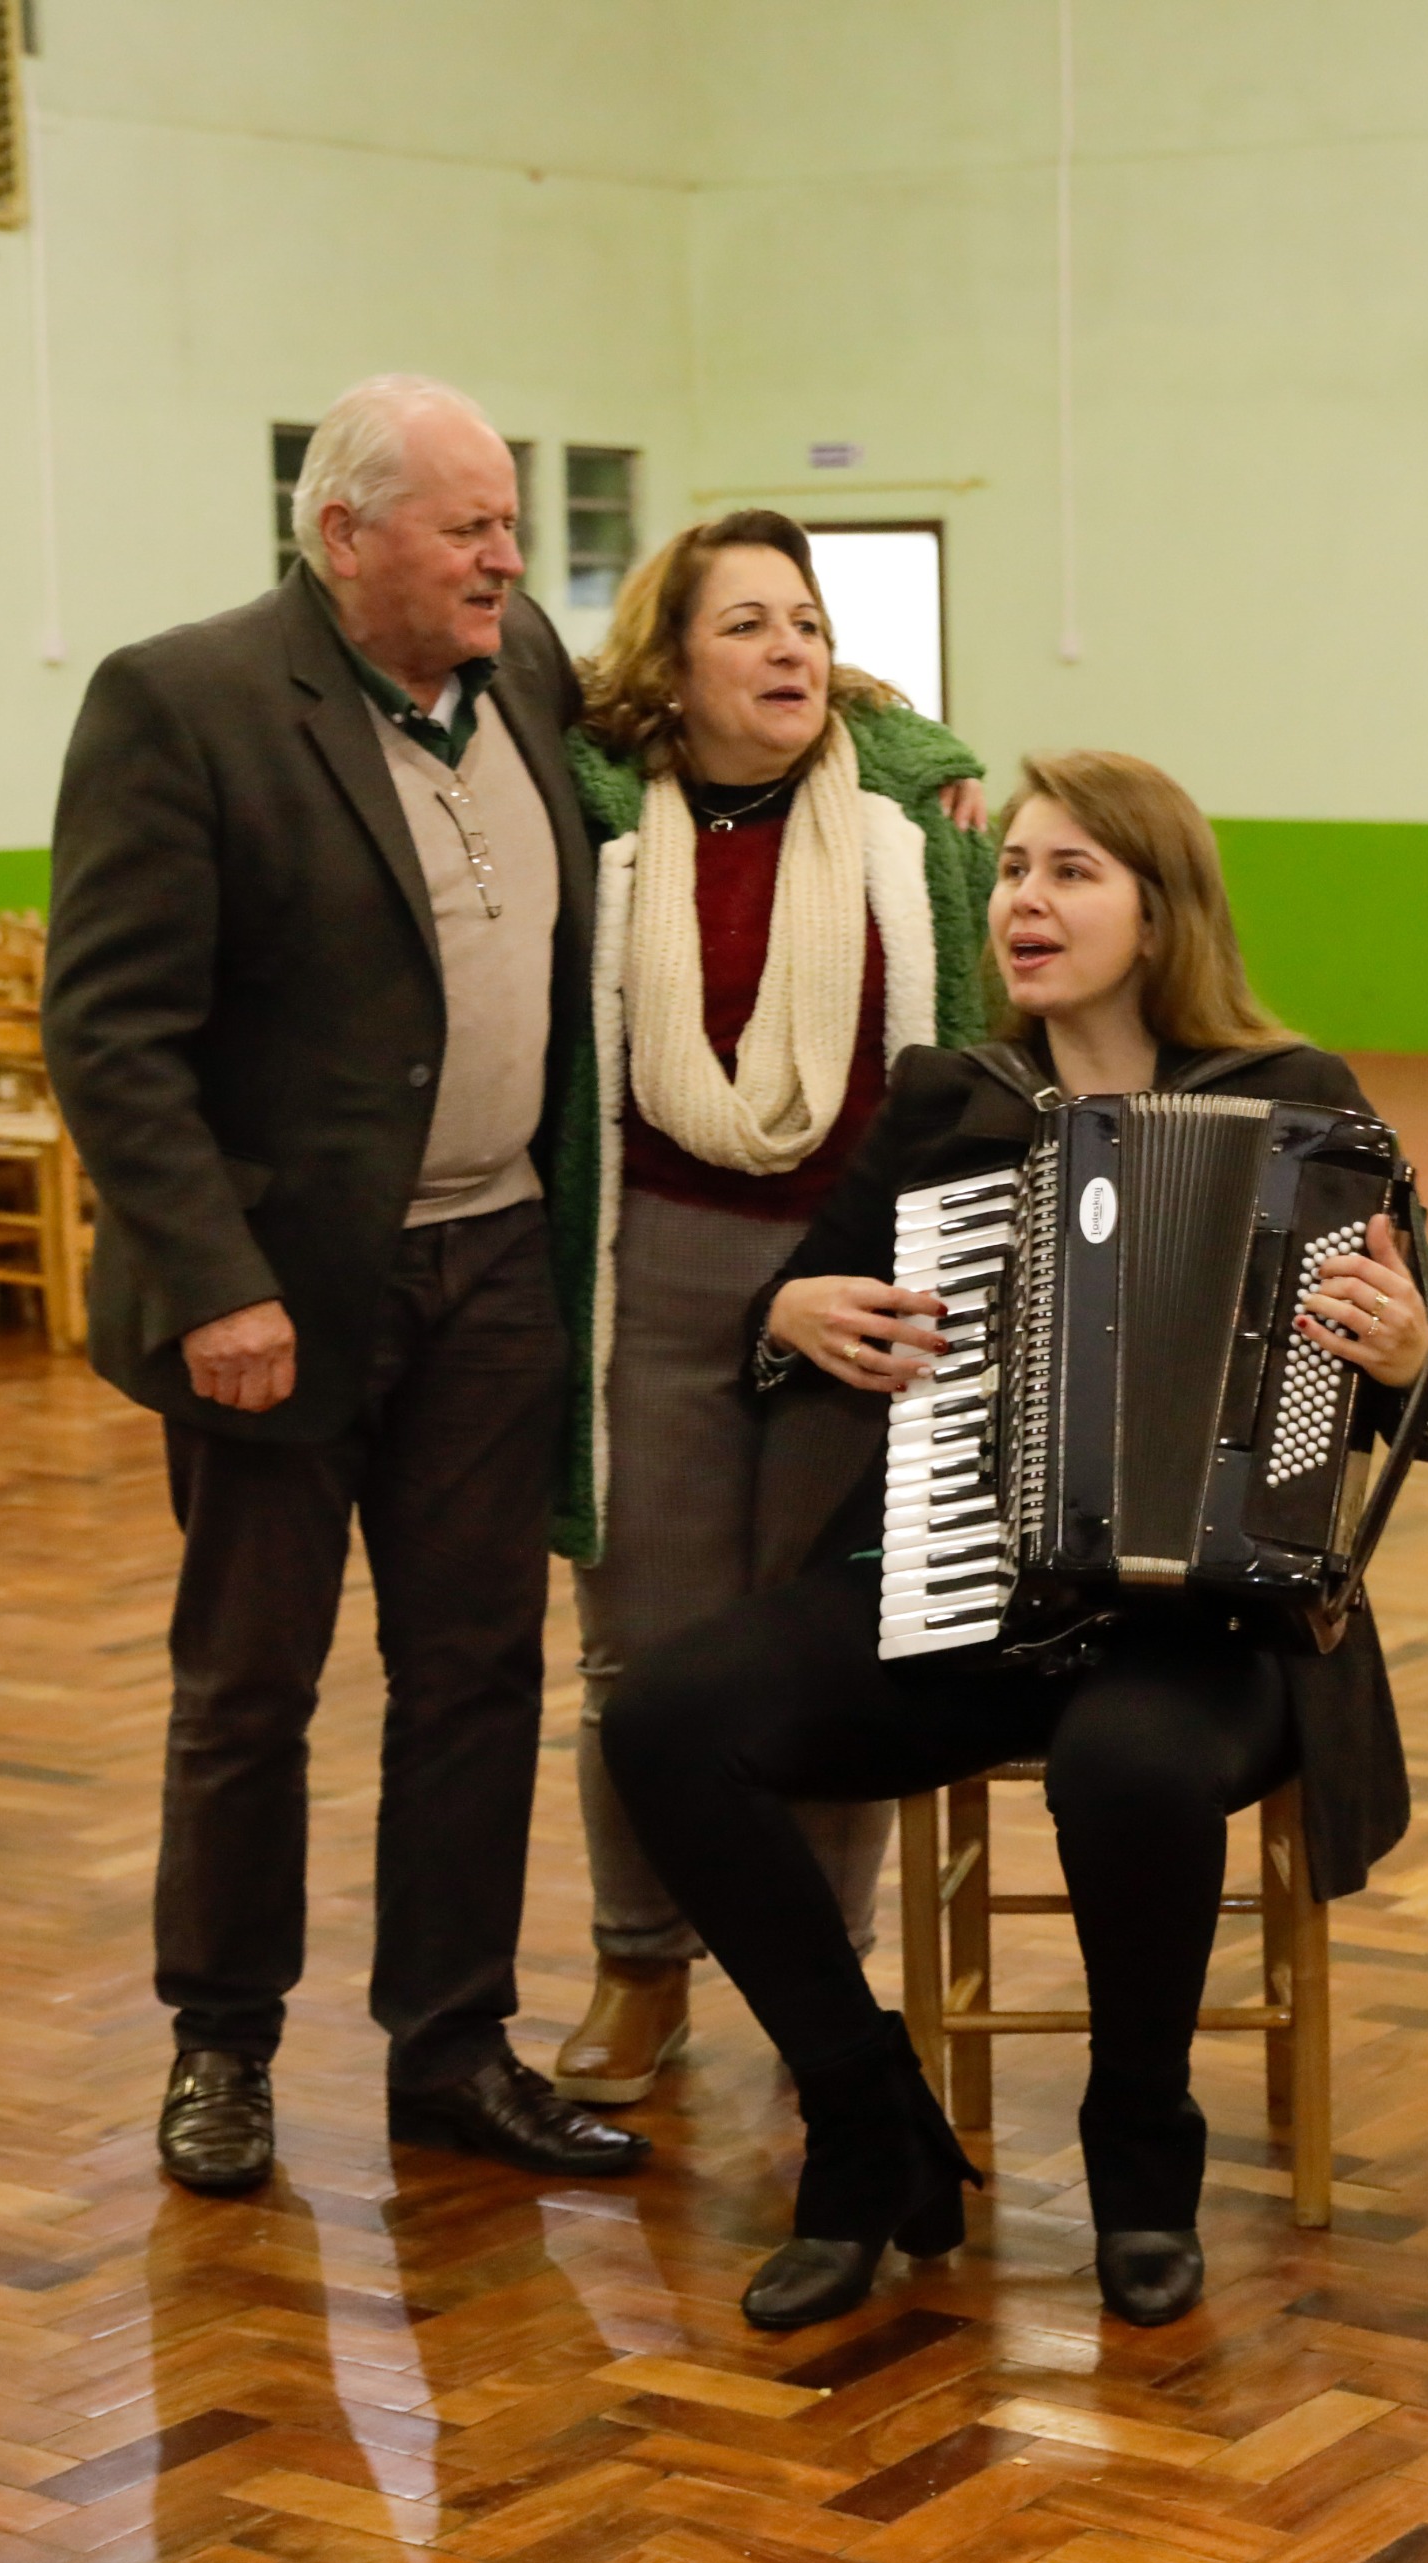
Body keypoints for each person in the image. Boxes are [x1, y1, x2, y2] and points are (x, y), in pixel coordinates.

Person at [597, 751, 1428, 2333]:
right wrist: (791, 1310)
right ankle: (868, 2118)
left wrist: (1414, 1353)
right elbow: (795, 1306)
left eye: (1071, 870)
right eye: (1013, 869)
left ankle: (1142, 2158)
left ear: (1163, 907)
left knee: (1128, 1767)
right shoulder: (953, 1103)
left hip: (1207, 1624)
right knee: (663, 1715)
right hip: (964, 1584)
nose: (1025, 900)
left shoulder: (1302, 1105)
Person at [42, 374, 639, 2195]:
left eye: (511, 524)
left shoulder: (523, 663)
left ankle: (451, 2043)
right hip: (281, 1299)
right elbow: (113, 1030)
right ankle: (220, 2044)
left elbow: (686, 726)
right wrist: (214, 1278)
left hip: (491, 1265)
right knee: (251, 1684)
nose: (503, 555)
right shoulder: (188, 700)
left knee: (474, 1673)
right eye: (465, 525)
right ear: (342, 535)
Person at [543, 511, 999, 2112]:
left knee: (837, 1643)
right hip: (658, 1269)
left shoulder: (905, 818)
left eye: (805, 623)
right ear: (672, 667)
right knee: (642, 1655)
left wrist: (928, 739)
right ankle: (638, 1968)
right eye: (745, 625)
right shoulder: (601, 803)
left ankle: (829, 1986)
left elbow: (980, 1022)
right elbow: (542, 706)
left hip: (859, 1255)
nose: (789, 649)